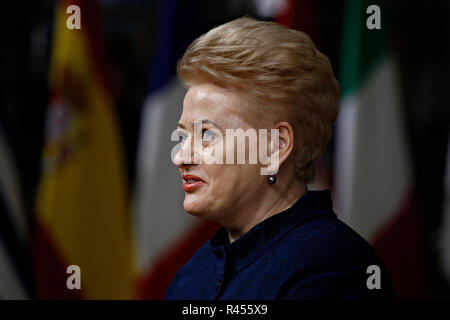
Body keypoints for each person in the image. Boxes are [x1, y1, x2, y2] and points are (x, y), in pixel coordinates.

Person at [166, 16, 396, 299]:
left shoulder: (333, 270)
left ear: (275, 147)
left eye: (207, 134)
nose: (181, 157)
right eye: (183, 135)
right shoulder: (193, 276)